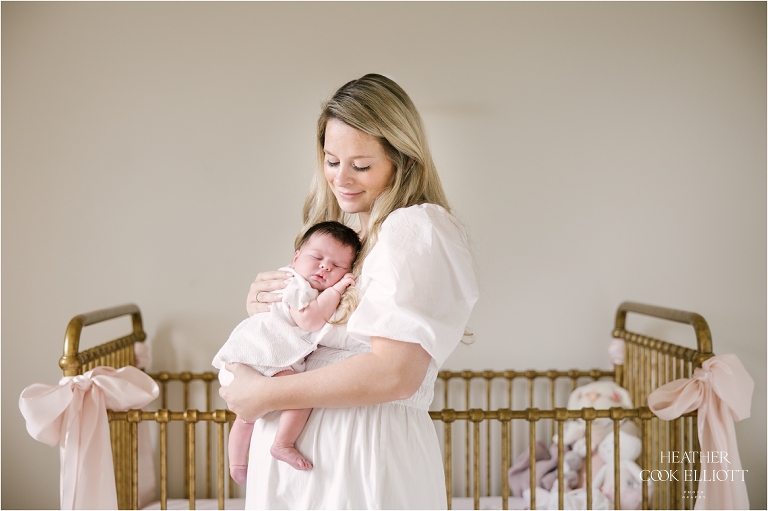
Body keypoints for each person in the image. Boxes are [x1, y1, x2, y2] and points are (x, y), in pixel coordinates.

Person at [220, 73, 479, 509]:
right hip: (315, 466)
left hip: (358, 459)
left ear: (404, 160)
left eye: (361, 165)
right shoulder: (354, 238)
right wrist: (269, 311)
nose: (341, 179)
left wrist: (264, 395)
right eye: (331, 160)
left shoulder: (414, 228)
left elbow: (395, 373)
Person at [212, 221, 360, 484]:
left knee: (247, 416)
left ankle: (236, 464)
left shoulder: (300, 285)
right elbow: (309, 320)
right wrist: (337, 289)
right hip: (261, 356)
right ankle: (282, 443)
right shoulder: (295, 284)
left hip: (248, 358)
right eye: (317, 257)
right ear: (295, 258)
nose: (325, 266)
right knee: (300, 396)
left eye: (337, 266)